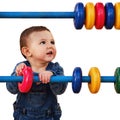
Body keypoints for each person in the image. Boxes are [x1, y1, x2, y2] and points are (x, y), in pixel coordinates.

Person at [6, 26, 68, 120]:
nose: (50, 45)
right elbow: (11, 89)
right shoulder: (21, 68)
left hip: (49, 116)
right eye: (43, 42)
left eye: (52, 42)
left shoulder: (55, 68)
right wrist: (17, 76)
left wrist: (52, 76)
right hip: (23, 115)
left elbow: (60, 90)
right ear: (27, 51)